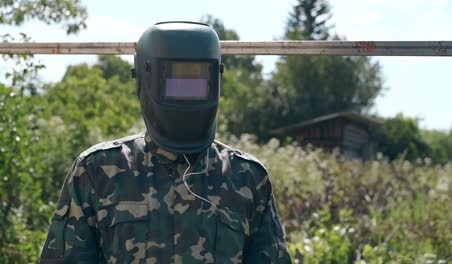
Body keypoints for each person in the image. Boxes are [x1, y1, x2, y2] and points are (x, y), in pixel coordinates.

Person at [40, 21, 291, 263]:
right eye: (175, 79)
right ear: (144, 78)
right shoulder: (98, 170)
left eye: (197, 79)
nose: (185, 91)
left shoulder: (246, 176)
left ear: (216, 77)